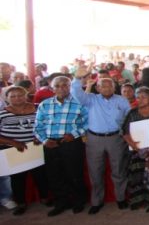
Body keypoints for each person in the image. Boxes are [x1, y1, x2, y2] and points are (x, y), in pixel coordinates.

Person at [71, 66, 131, 214]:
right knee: (95, 171)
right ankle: (97, 201)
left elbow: (129, 119)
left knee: (118, 170)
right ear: (97, 88)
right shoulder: (90, 100)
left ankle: (121, 198)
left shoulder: (122, 101)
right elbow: (76, 93)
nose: (106, 88)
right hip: (94, 139)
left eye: (109, 85)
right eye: (102, 86)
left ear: (114, 87)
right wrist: (79, 78)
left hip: (116, 138)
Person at [33, 76, 88, 217]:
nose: (61, 88)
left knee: (74, 173)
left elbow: (87, 123)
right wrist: (45, 140)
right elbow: (38, 126)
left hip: (71, 142)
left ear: (70, 87)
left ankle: (78, 201)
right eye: (57, 86)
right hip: (51, 144)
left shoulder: (79, 103)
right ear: (52, 88)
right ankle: (61, 202)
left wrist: (75, 134)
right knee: (54, 174)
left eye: (65, 85)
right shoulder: (44, 104)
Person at [0, 86, 49, 215]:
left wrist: (40, 136)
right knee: (17, 178)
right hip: (14, 150)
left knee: (41, 175)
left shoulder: (38, 108)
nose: (17, 98)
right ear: (7, 98)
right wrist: (13, 142)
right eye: (13, 96)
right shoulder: (2, 113)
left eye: (20, 95)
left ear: (26, 95)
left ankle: (45, 198)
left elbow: (48, 124)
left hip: (36, 147)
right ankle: (21, 203)